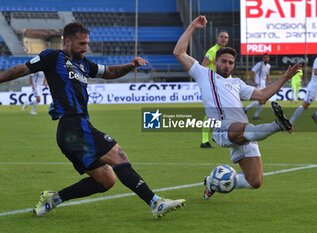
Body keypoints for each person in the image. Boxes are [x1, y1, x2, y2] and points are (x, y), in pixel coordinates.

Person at [0, 22, 185, 218]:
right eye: (81, 43)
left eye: (87, 43)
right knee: (118, 156)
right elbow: (21, 69)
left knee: (106, 180)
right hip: (73, 125)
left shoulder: (84, 64)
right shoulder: (53, 57)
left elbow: (110, 72)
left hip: (75, 129)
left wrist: (131, 65)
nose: (85, 47)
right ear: (68, 40)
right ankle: (155, 202)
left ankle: (54, 199)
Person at [173, 15, 300, 199]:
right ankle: (278, 125)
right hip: (223, 130)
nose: (226, 65)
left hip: (244, 132)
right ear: (216, 62)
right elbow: (178, 52)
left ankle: (212, 182)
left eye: (230, 63)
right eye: (223, 61)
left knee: (254, 182)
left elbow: (263, 95)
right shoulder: (203, 74)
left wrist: (285, 78)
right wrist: (193, 25)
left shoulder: (238, 83)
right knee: (244, 128)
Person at [200, 30, 229, 148]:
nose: (223, 39)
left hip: (220, 85)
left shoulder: (225, 53)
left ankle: (216, 133)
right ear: (217, 38)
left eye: (226, 37)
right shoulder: (212, 51)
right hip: (211, 86)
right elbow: (202, 67)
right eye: (221, 37)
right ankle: (204, 140)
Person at [244, 53, 271, 120]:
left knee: (263, 101)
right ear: (263, 58)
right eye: (265, 57)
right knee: (262, 100)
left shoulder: (268, 66)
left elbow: (267, 74)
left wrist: (269, 80)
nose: (266, 59)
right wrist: (254, 81)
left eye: (267, 57)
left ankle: (247, 110)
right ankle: (253, 113)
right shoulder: (259, 64)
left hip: (263, 85)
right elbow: (251, 72)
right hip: (258, 85)